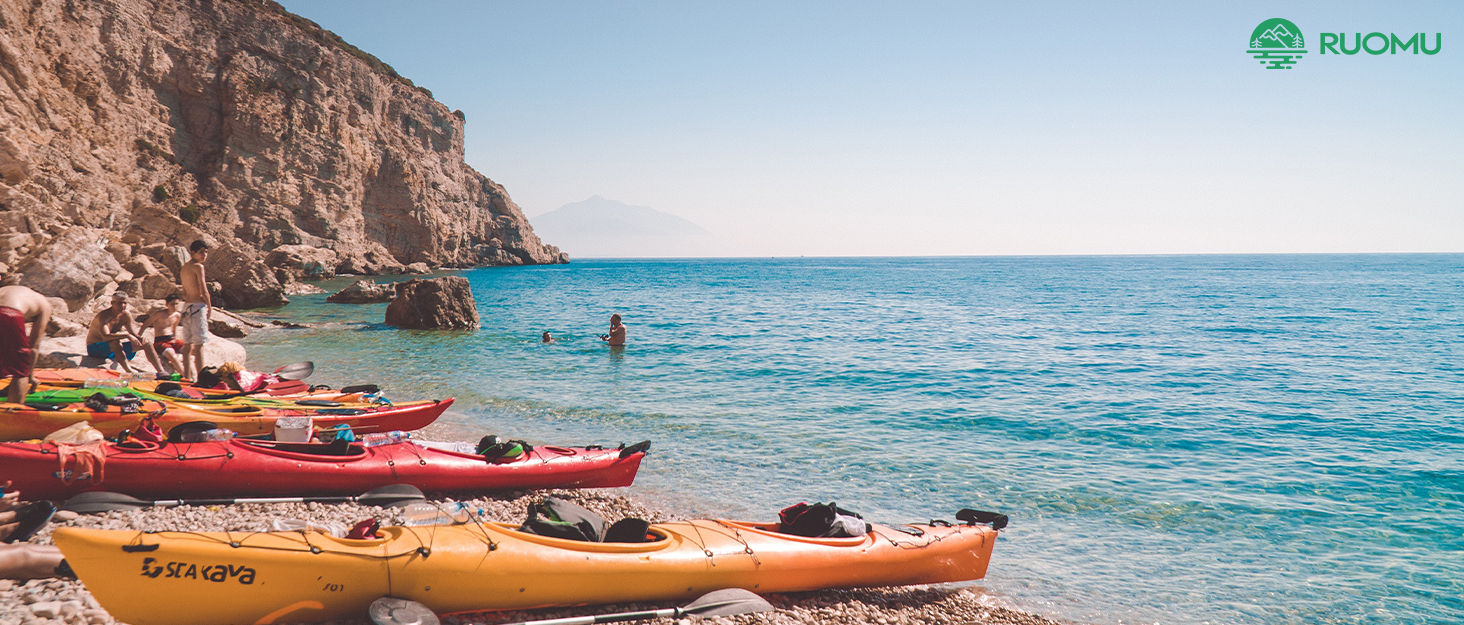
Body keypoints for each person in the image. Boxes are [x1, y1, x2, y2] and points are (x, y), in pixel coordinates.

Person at [0, 284, 51, 404]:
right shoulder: (45, 305)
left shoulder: (8, 289)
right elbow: (33, 347)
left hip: (7, 309)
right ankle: (13, 410)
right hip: (8, 313)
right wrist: (30, 376)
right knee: (20, 369)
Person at [85, 292, 145, 373]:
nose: (123, 305)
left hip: (111, 351)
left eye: (125, 303)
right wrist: (127, 335)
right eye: (119, 303)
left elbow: (132, 333)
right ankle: (128, 371)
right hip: (95, 348)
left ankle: (161, 371)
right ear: (112, 303)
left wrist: (140, 339)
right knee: (115, 342)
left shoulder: (126, 314)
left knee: (145, 342)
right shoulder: (104, 316)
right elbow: (106, 337)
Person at [178, 240, 212, 382]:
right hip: (198, 306)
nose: (204, 255)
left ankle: (186, 377)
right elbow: (203, 290)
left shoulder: (184, 268)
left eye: (205, 251)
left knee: (187, 344)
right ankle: (200, 378)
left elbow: (184, 291)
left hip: (186, 307)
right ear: (193, 253)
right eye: (201, 252)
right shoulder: (198, 267)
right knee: (198, 345)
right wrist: (209, 306)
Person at [142, 294, 185, 376]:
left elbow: (174, 328)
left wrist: (175, 340)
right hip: (161, 341)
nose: (174, 306)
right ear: (167, 305)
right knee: (173, 357)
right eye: (172, 304)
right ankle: (186, 376)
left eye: (176, 304)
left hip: (172, 339)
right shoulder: (159, 314)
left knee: (191, 349)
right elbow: (145, 324)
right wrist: (138, 338)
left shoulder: (177, 315)